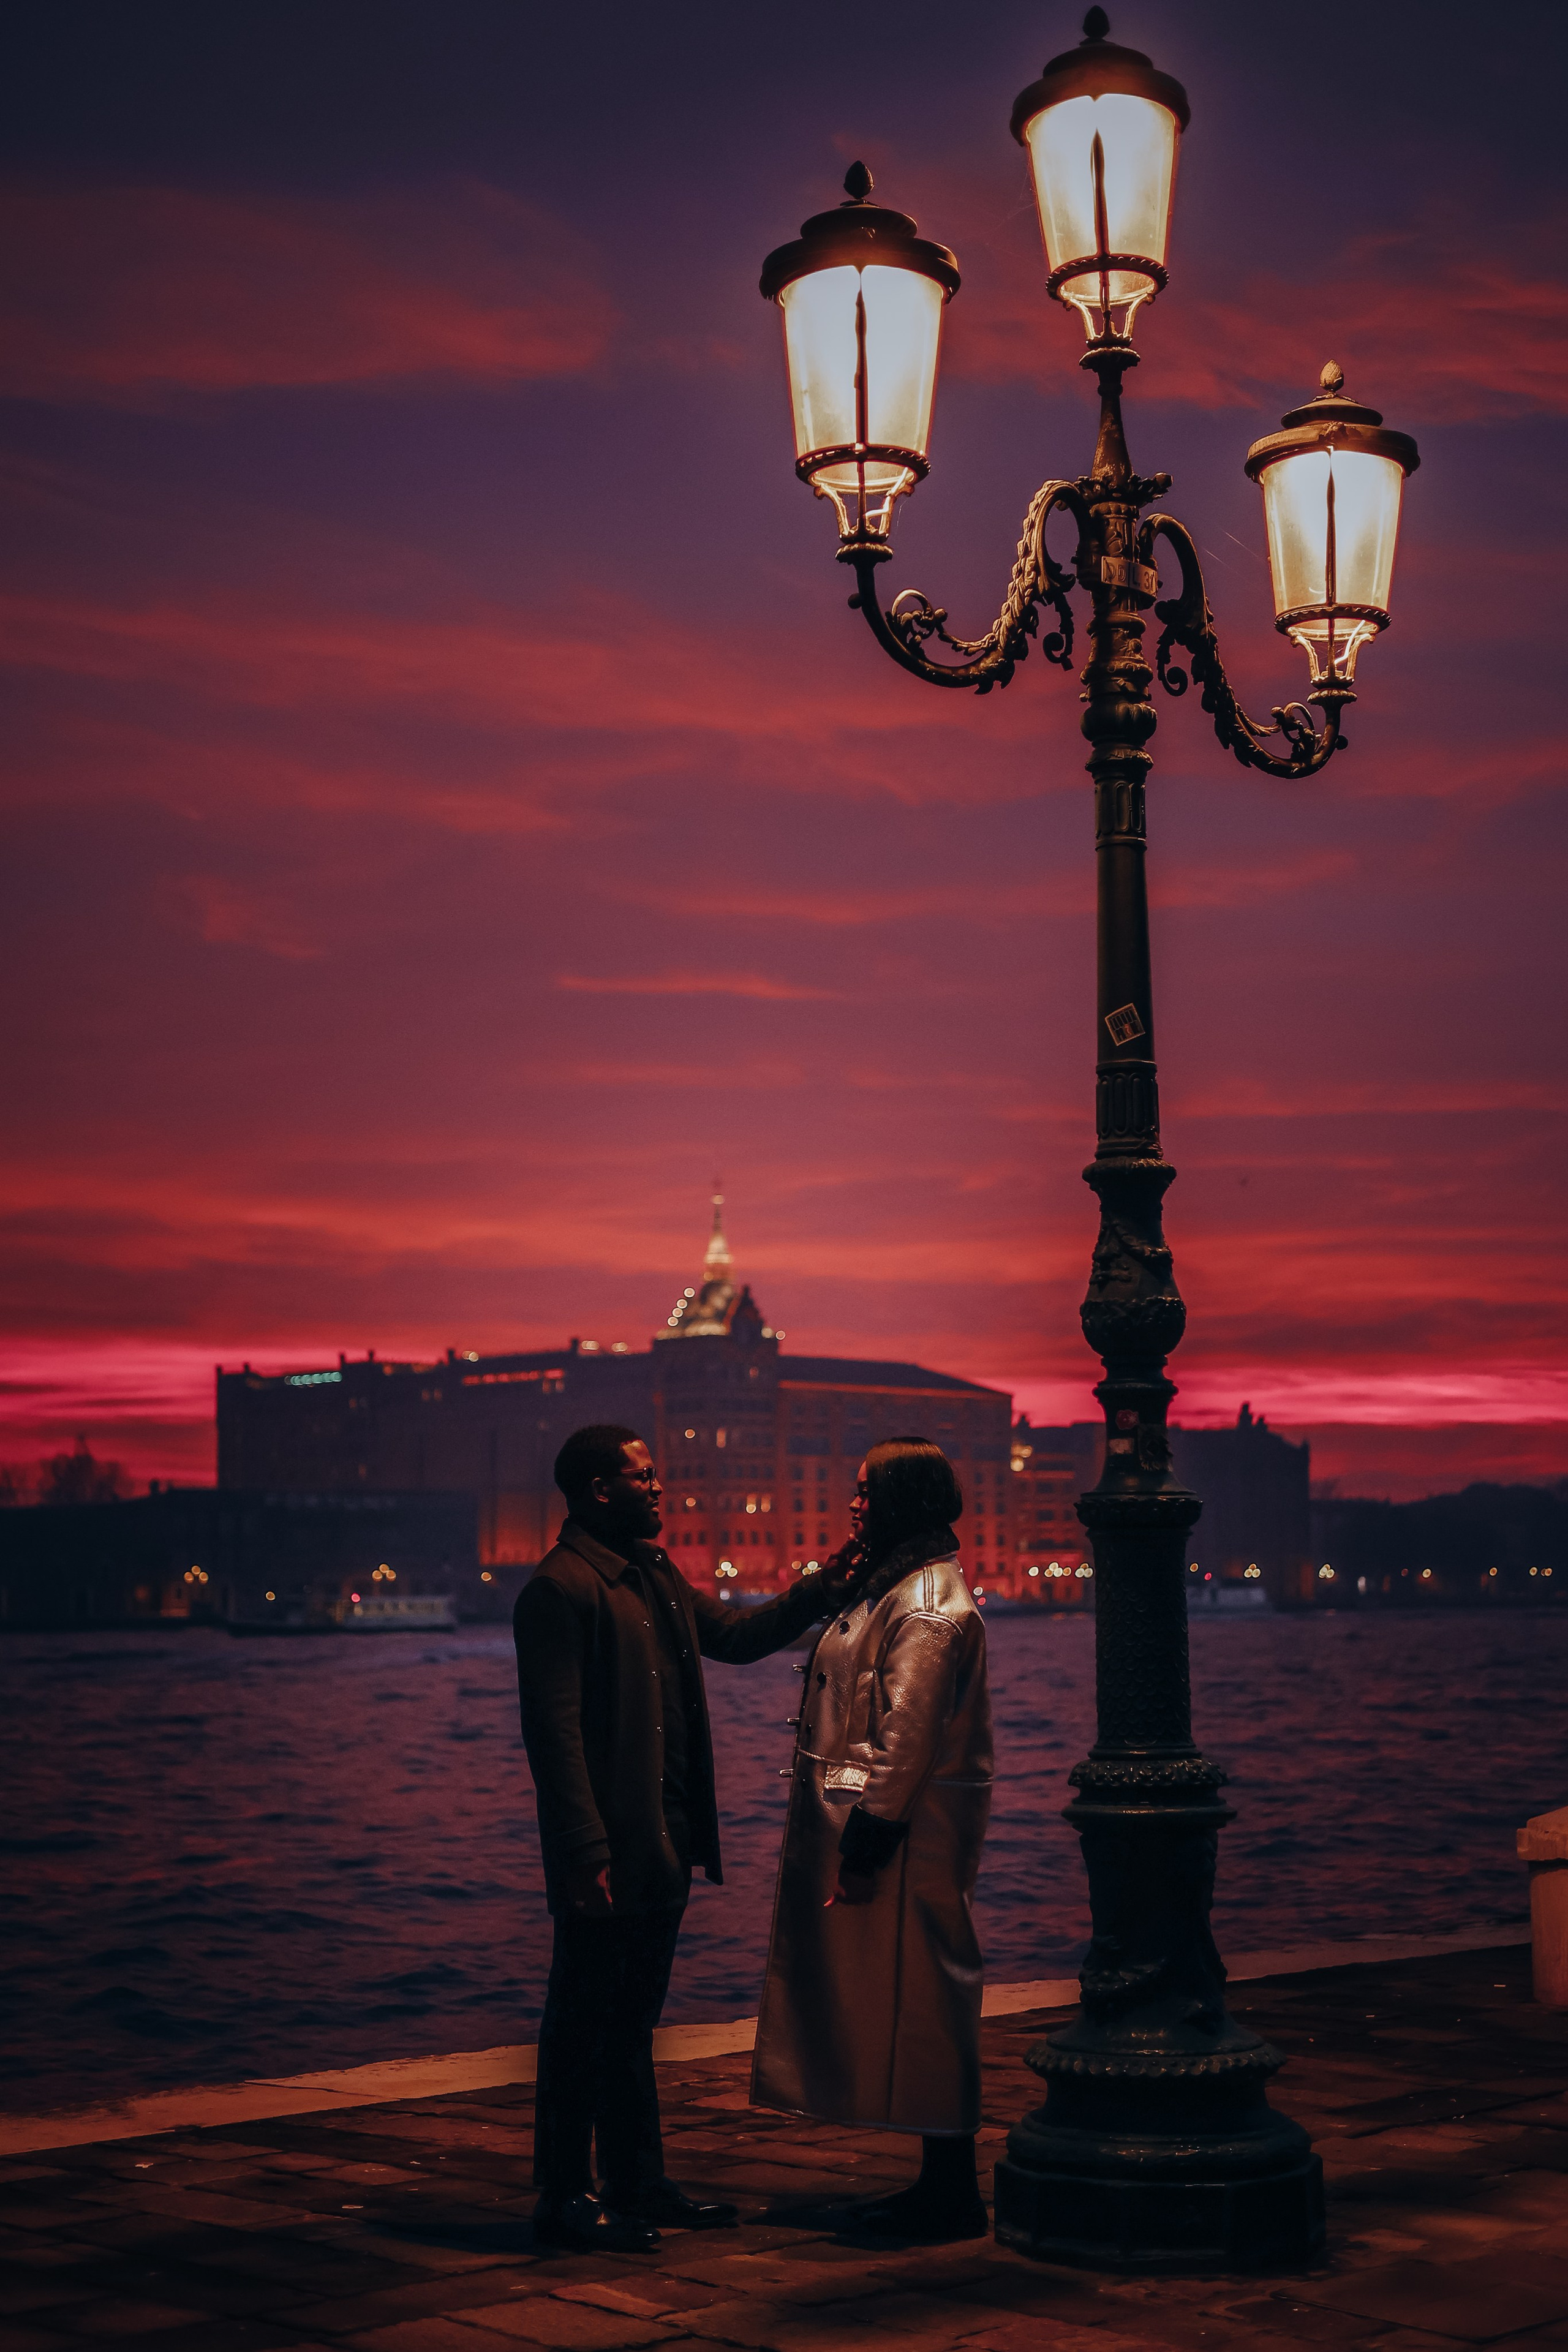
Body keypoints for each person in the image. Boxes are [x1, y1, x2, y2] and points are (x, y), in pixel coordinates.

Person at [514, 1422, 851, 2251]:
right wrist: (584, 1851)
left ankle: (636, 2183)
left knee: (631, 2024)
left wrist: (823, 1586)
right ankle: (563, 2196)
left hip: (663, 1840)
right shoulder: (558, 1590)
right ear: (601, 1490)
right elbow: (552, 1739)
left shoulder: (653, 1572)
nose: (660, 1488)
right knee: (580, 2027)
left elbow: (734, 1639)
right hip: (609, 1849)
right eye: (644, 1476)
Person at [751, 1436, 993, 2241]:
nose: (853, 1503)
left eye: (866, 1491)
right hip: (901, 1834)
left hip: (906, 1840)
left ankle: (950, 2191)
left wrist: (864, 1851)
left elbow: (908, 1742)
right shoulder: (900, 1585)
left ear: (902, 1499)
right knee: (918, 2001)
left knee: (927, 2002)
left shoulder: (923, 1606)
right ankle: (939, 2182)